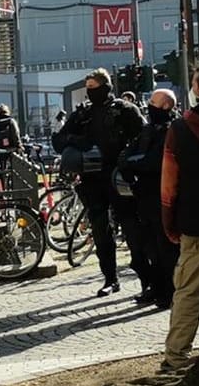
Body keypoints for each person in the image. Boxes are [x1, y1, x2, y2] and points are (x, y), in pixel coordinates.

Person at [54, 69, 144, 298]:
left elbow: (145, 136)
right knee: (101, 230)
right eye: (88, 88)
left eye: (94, 87)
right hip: (93, 179)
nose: (91, 92)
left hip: (119, 176)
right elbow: (59, 140)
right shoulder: (82, 114)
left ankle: (146, 278)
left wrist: (129, 158)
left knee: (132, 227)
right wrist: (77, 141)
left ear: (106, 87)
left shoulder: (124, 110)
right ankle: (110, 279)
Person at [161, 63, 199, 370]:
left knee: (188, 290)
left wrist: (169, 221)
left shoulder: (181, 129)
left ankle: (176, 356)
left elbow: (169, 183)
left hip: (195, 218)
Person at [122, 89, 178, 308]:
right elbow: (126, 156)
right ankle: (154, 287)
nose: (149, 106)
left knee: (165, 249)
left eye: (154, 102)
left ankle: (168, 291)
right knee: (147, 247)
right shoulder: (146, 130)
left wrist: (136, 164)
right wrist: (132, 165)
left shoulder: (171, 130)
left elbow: (155, 162)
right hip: (142, 196)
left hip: (162, 197)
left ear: (166, 106)